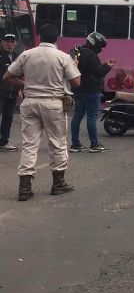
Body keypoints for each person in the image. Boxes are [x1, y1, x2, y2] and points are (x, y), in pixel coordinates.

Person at [3, 23, 81, 201]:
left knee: (29, 145)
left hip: (30, 102)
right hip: (53, 104)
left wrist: (25, 85)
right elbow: (76, 82)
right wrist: (75, 65)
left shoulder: (26, 54)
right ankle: (58, 184)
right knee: (57, 143)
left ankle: (24, 188)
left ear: (40, 37)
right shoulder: (62, 57)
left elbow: (8, 76)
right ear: (56, 38)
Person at [70, 32, 116, 153]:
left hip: (78, 89)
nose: (100, 49)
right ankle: (94, 144)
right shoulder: (90, 55)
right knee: (91, 117)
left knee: (77, 116)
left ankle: (75, 144)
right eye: (100, 46)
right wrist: (107, 66)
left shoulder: (77, 51)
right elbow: (99, 72)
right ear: (94, 43)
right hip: (91, 90)